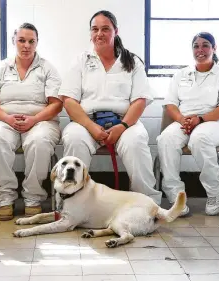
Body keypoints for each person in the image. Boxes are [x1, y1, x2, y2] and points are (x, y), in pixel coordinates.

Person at [59, 10, 162, 205]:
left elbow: (140, 100)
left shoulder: (132, 62)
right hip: (86, 123)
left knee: (136, 142)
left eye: (105, 29)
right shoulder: (81, 60)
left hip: (125, 123)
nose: (99, 34)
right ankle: (72, 202)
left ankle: (147, 204)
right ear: (90, 33)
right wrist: (91, 127)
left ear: (116, 31)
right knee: (74, 138)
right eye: (95, 29)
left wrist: (122, 126)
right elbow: (69, 100)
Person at [0, 23, 62, 221]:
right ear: (13, 41)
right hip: (5, 119)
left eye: (31, 41)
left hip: (41, 120)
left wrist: (34, 119)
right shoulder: (0, 68)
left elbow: (56, 104)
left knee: (39, 142)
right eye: (21, 40)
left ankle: (33, 198)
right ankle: (4, 198)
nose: (26, 45)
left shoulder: (48, 69)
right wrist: (6, 118)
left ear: (37, 43)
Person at [157, 32, 219, 216]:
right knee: (165, 139)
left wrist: (199, 120)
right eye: (196, 46)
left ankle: (215, 192)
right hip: (184, 121)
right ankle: (176, 197)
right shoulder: (181, 74)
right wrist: (181, 120)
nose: (200, 50)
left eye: (205, 45)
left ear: (214, 48)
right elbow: (170, 103)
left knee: (199, 138)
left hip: (214, 123)